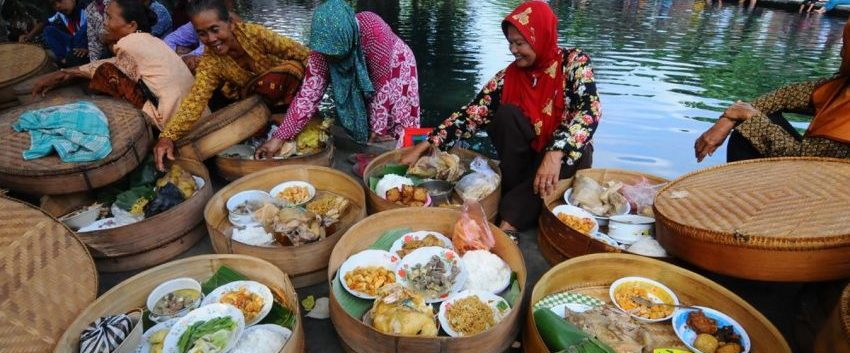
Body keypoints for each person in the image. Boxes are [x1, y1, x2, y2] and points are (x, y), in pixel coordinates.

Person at [399, 1, 600, 240]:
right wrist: (426, 145)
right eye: (511, 43)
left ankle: (509, 223)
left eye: (520, 43)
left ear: (540, 37)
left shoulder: (574, 63)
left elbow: (590, 111)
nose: (513, 50)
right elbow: (471, 114)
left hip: (557, 164)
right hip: (524, 163)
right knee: (505, 115)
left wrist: (555, 152)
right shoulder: (509, 77)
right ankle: (521, 199)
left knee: (578, 150)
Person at [153, 0, 309, 170]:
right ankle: (269, 124)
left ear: (231, 24)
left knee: (293, 68)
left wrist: (312, 93)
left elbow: (301, 53)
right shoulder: (210, 61)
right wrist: (167, 137)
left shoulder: (255, 34)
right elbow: (194, 102)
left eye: (215, 29)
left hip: (285, 90)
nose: (211, 39)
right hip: (254, 102)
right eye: (202, 34)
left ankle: (293, 117)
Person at [254, 0, 420, 159]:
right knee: (366, 122)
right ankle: (373, 147)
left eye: (340, 55)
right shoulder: (321, 52)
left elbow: (380, 85)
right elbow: (307, 96)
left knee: (397, 122)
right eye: (332, 57)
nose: (336, 61)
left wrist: (379, 125)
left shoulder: (373, 27)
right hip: (363, 72)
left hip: (395, 67)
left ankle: (407, 157)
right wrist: (278, 137)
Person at [695, 19, 850, 163]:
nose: (841, 54)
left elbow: (804, 160)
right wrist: (728, 119)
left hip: (828, 183)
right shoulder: (842, 85)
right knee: (756, 121)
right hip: (808, 168)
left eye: (845, 46)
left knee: (751, 126)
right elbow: (786, 95)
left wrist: (749, 115)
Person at [31, 0, 197, 131]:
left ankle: (144, 129)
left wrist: (64, 73)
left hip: (174, 125)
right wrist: (65, 73)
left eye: (109, 17)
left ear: (132, 25)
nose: (104, 23)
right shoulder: (150, 40)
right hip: (195, 113)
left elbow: (109, 67)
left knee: (109, 75)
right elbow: (113, 62)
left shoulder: (128, 44)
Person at [19, 0, 89, 67]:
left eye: (60, 0)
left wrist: (89, 47)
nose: (57, 6)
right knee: (48, 30)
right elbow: (45, 22)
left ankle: (73, 58)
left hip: (89, 45)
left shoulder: (88, 7)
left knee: (86, 26)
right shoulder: (58, 15)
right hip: (74, 44)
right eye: (54, 4)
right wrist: (28, 36)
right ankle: (64, 60)